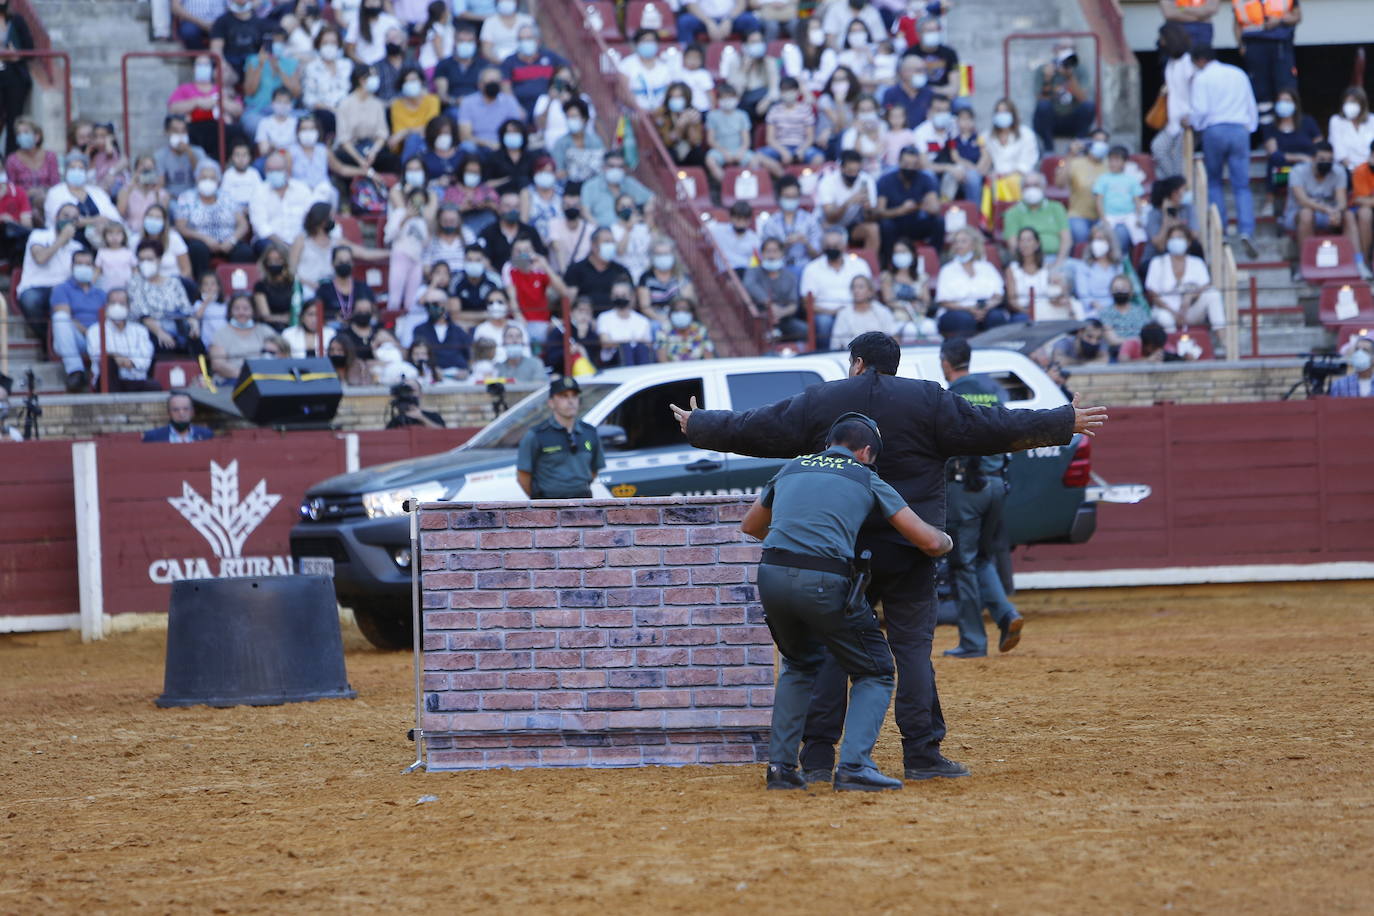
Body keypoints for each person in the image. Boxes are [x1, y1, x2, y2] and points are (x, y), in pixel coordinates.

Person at [672, 332, 1107, 782]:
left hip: (843, 550)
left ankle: (818, 756)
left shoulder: (825, 400)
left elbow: (758, 426)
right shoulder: (928, 400)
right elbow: (994, 425)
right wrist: (1062, 420)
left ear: (858, 363)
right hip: (910, 546)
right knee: (913, 650)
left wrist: (700, 424)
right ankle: (921, 753)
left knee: (836, 650)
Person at [739, 414, 951, 792]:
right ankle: (854, 765)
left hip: (771, 574)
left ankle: (782, 769)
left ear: (829, 443)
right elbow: (929, 542)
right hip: (824, 579)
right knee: (876, 670)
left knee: (798, 664)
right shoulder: (865, 476)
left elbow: (751, 527)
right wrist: (948, 540)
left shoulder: (791, 468)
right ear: (867, 452)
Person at [939, 338, 1024, 659]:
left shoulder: (951, 396)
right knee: (982, 558)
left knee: (962, 563)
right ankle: (1006, 614)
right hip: (996, 485)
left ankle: (973, 642)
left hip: (966, 488)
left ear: (946, 363)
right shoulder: (991, 391)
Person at [1189, 45, 1259, 259]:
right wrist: (1250, 128)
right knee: (1242, 186)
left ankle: (1222, 231)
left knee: (1215, 182)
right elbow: (1251, 104)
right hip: (1239, 130)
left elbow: (1200, 110)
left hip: (1215, 129)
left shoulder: (1202, 78)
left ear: (1200, 60)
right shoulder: (1237, 73)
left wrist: (1195, 125)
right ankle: (1246, 230)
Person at [1282, 142, 1366, 277]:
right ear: (1313, 159)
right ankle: (1305, 266)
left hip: (1328, 215)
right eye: (1322, 159)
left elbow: (1342, 201)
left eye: (1329, 160)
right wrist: (1328, 210)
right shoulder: (1298, 171)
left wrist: (1337, 212)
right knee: (1306, 214)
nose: (1326, 163)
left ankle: (1359, 264)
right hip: (1297, 215)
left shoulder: (1338, 171)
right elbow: (1302, 200)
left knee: (1349, 215)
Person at [516, 375, 606, 498]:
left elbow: (594, 470)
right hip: (548, 506)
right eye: (564, 396)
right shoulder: (537, 435)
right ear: (551, 403)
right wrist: (539, 501)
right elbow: (523, 475)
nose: (570, 401)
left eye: (574, 396)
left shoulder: (589, 432)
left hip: (583, 504)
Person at [16, 202, 84, 341]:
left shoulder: (77, 246)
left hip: (64, 289)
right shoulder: (39, 235)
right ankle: (47, 342)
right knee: (30, 300)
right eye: (65, 215)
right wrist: (62, 239)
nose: (69, 220)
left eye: (74, 218)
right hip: (36, 287)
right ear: (56, 217)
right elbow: (41, 258)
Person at [1232, 0, 1300, 128]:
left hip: (1280, 44)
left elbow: (1297, 16)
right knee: (1261, 93)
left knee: (1285, 89)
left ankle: (1288, 130)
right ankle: (1267, 134)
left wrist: (1279, 21)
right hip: (1254, 45)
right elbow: (1237, 22)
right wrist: (1241, 46)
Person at [800, 227, 873, 346]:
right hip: (827, 314)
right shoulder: (811, 269)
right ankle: (825, 354)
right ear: (823, 247)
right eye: (828, 246)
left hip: (856, 310)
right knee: (823, 322)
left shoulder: (859, 265)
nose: (832, 249)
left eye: (835, 246)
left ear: (844, 246)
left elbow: (869, 292)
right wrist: (833, 312)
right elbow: (806, 303)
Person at [1145, 225, 1226, 331]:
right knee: (1165, 319)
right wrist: (1173, 313)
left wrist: (1190, 296)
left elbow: (1205, 286)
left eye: (1179, 238)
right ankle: (1171, 347)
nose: (1176, 241)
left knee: (1213, 294)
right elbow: (1153, 294)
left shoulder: (1197, 262)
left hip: (1189, 310)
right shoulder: (1157, 263)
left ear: (1188, 242)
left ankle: (1222, 339)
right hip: (1165, 310)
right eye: (1172, 238)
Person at [49, 249, 107, 392]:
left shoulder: (101, 293)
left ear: (93, 267)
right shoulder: (61, 289)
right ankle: (75, 372)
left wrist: (94, 335)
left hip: (98, 340)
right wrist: (88, 332)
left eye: (87, 264)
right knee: (61, 318)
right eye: (79, 263)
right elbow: (65, 315)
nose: (83, 267)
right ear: (72, 266)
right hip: (75, 339)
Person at [874, 146, 942, 261]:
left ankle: (934, 259)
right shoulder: (886, 180)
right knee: (885, 225)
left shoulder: (925, 179)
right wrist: (901, 210)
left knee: (939, 222)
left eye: (913, 164)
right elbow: (879, 212)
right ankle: (888, 262)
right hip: (895, 223)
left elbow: (935, 208)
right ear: (899, 162)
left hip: (917, 222)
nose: (909, 168)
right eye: (906, 164)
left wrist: (919, 206)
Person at [88, 289, 160, 393]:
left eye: (122, 303)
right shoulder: (95, 330)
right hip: (108, 382)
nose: (117, 307)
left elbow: (145, 360)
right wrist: (114, 356)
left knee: (155, 386)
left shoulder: (140, 330)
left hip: (135, 380)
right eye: (113, 303)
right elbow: (95, 355)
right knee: (108, 361)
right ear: (107, 306)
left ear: (128, 307)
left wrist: (129, 362)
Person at [935, 228, 1006, 331]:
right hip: (956, 310)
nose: (959, 245)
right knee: (966, 319)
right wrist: (969, 309)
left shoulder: (987, 267)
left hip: (986, 308)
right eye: (956, 242)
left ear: (974, 245)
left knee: (997, 317)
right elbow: (943, 301)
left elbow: (998, 296)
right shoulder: (947, 270)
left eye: (963, 241)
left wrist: (986, 308)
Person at [1033, 43, 1096, 150]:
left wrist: (1070, 76)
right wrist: (1048, 79)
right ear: (1055, 50)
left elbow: (1083, 99)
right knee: (1043, 106)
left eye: (1070, 48)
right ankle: (1049, 148)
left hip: (1072, 119)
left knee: (1089, 106)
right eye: (1062, 48)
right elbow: (1040, 100)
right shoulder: (1044, 69)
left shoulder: (1080, 69)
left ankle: (1078, 146)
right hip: (1051, 119)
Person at [744, 237, 806, 340]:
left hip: (783, 318)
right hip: (760, 318)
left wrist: (780, 312)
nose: (771, 255)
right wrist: (770, 305)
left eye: (775, 251)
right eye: (768, 251)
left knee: (804, 330)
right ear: (762, 254)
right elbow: (750, 285)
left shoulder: (790, 276)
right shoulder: (753, 271)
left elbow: (793, 304)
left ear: (782, 254)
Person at [1056, 129, 1111, 245]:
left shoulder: (1111, 165)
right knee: (1081, 234)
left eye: (1104, 141)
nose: (1100, 144)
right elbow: (1059, 184)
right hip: (1078, 215)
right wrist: (1070, 155)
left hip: (1105, 217)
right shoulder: (1076, 162)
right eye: (1097, 141)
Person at [1002, 172, 1070, 262]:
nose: (1032, 189)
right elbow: (1013, 244)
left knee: (1080, 270)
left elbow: (1066, 239)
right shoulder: (1012, 213)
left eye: (1036, 185)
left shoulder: (1056, 208)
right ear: (1022, 190)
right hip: (1028, 262)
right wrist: (1033, 266)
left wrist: (1059, 263)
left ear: (1043, 188)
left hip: (1056, 259)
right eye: (1028, 186)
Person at [210, 292, 275, 382]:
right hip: (231, 381)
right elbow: (218, 365)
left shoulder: (265, 331)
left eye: (246, 308)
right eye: (236, 309)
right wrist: (246, 377)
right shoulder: (221, 333)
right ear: (230, 311)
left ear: (253, 311)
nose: (241, 312)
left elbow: (281, 354)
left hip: (263, 380)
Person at [564, 227, 633, 312]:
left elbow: (631, 301)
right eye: (607, 242)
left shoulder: (621, 271)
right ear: (594, 245)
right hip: (585, 320)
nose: (611, 246)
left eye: (612, 242)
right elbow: (569, 302)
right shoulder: (576, 270)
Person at [580, 148, 651, 229]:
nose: (616, 170)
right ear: (604, 167)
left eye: (620, 167)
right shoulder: (590, 186)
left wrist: (646, 220)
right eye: (612, 166)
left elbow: (651, 198)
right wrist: (598, 229)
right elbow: (585, 211)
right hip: (602, 232)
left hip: (629, 230)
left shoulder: (629, 183)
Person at [595, 281, 656, 366]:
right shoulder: (604, 317)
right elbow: (605, 343)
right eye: (616, 295)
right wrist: (629, 341)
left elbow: (648, 344)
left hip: (639, 356)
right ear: (611, 296)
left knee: (641, 348)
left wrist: (621, 342)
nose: (620, 298)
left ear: (631, 296)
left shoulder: (642, 320)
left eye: (623, 295)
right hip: (613, 359)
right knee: (625, 348)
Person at [829, 275, 895, 351]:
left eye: (860, 287)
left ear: (870, 292)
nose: (856, 291)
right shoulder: (843, 314)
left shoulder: (882, 311)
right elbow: (836, 344)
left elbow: (893, 336)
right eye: (854, 287)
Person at [1327, 88, 1374, 176]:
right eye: (1346, 102)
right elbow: (1339, 151)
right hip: (1345, 170)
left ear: (1362, 104)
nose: (1349, 105)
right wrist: (1353, 170)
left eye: (1353, 102)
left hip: (1370, 170)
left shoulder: (1372, 120)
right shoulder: (1336, 121)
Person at [656, 297, 715, 362]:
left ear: (692, 313)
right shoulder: (664, 330)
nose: (681, 313)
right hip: (673, 369)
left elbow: (708, 356)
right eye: (677, 310)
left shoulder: (700, 329)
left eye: (684, 309)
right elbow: (662, 358)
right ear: (671, 313)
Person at [142, 391, 214, 442]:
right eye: (176, 410)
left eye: (185, 409)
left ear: (192, 412)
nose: (181, 414)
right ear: (169, 413)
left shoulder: (206, 435)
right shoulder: (153, 437)